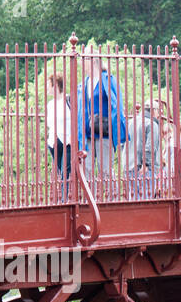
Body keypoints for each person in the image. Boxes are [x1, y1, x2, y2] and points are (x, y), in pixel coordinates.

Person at [77, 51, 127, 188]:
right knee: (86, 170)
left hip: (104, 132)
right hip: (87, 134)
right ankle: (89, 202)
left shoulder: (108, 79)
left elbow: (117, 104)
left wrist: (113, 125)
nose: (81, 64)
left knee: (105, 170)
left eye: (83, 61)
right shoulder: (84, 83)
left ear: (93, 61)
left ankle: (113, 200)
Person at [125, 101, 161, 199]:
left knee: (133, 200)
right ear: (153, 111)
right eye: (159, 111)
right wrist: (146, 164)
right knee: (145, 200)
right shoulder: (152, 124)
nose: (159, 114)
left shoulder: (131, 122)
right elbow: (150, 147)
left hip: (129, 165)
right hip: (144, 168)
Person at [45, 72, 72, 200]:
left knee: (65, 172)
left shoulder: (69, 100)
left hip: (67, 141)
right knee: (59, 172)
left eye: (48, 85)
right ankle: (61, 198)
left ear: (55, 85)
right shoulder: (50, 105)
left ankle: (64, 199)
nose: (47, 88)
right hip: (54, 142)